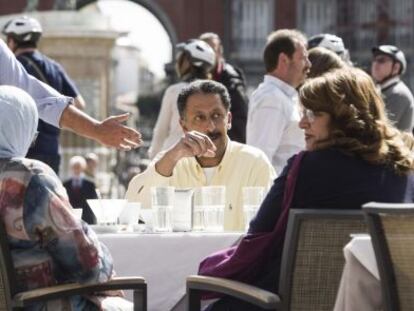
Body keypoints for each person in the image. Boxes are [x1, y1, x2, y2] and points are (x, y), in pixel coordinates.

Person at [206, 67, 414, 311]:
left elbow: (257, 233)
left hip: (279, 301)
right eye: (303, 112)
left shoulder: (305, 167)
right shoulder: (404, 170)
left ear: (343, 116)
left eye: (313, 114)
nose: (302, 122)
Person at [0, 85, 132, 310]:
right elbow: (86, 265)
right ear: (20, 126)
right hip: (41, 302)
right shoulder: (28, 177)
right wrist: (108, 277)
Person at [126, 80, 275, 231]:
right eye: (199, 118)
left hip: (238, 255)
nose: (210, 127)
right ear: (184, 126)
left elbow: (269, 227)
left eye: (216, 116)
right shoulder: (169, 163)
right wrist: (171, 158)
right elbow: (134, 209)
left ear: (228, 120)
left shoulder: (254, 163)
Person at [0, 24, 141, 151]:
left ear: (12, 41)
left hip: (24, 147)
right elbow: (73, 103)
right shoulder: (54, 66)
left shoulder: (11, 60)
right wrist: (96, 129)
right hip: (49, 147)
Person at [3, 16, 86, 175]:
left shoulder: (13, 67)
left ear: (12, 41)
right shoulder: (54, 66)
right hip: (52, 149)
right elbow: (79, 104)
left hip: (21, 150)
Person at [246, 29, 310, 173]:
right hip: (281, 192)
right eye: (303, 58)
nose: (309, 64)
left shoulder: (282, 96)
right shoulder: (271, 98)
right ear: (283, 60)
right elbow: (260, 159)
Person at [148, 39, 215, 159]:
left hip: (173, 160)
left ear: (187, 62)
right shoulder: (216, 94)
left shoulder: (174, 91)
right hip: (203, 161)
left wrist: (153, 161)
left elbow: (161, 131)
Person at [199, 32, 249, 143]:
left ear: (219, 51)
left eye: (212, 49)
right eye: (203, 50)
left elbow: (241, 116)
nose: (208, 54)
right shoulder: (198, 77)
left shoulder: (231, 77)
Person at [371, 44, 414, 132]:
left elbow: (381, 130)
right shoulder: (384, 90)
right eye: (374, 60)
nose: (375, 64)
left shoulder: (398, 94)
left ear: (396, 67)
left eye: (381, 60)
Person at [63, 156, 99, 225]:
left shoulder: (90, 185)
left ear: (83, 168)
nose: (76, 169)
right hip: (71, 218)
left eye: (78, 167)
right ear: (71, 168)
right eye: (74, 167)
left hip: (87, 218)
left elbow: (93, 201)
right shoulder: (65, 185)